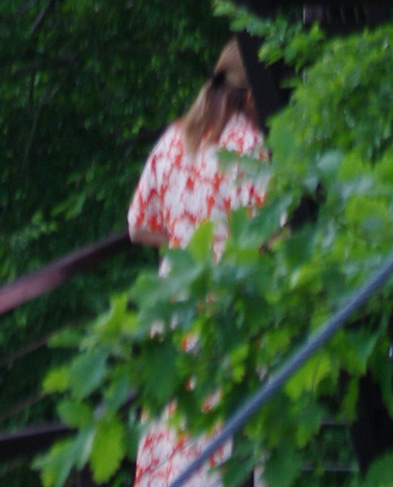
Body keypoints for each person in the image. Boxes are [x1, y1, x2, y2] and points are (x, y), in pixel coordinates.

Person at [125, 41, 271, 487]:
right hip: (226, 310)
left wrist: (182, 242)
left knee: (175, 432)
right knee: (226, 437)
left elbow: (138, 225)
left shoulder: (174, 139)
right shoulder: (247, 146)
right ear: (252, 95)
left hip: (175, 305)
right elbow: (271, 233)